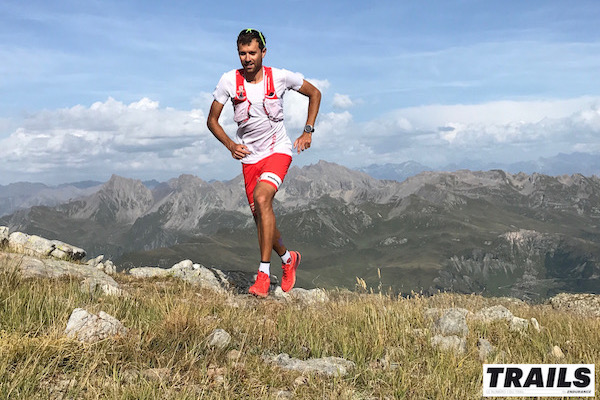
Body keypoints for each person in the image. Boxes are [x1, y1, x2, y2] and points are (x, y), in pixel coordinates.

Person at [207, 29, 321, 298]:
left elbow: (315, 93)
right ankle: (288, 259)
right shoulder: (228, 81)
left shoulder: (280, 77)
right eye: (242, 53)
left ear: (263, 53)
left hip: (278, 151)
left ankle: (263, 274)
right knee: (261, 218)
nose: (247, 58)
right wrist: (230, 145)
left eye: (252, 53)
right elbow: (212, 120)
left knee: (262, 197)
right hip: (249, 158)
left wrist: (308, 130)